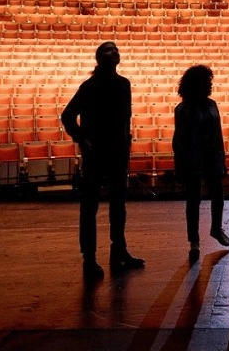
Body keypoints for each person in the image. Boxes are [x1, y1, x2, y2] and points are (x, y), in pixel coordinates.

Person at [60, 41, 145, 279]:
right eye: (108, 51)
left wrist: (126, 142)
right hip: (96, 154)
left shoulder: (124, 85)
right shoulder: (89, 87)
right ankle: (89, 258)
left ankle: (119, 251)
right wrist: (82, 139)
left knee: (118, 206)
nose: (113, 53)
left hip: (117, 153)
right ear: (100, 58)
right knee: (90, 207)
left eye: (115, 50)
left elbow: (126, 118)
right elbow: (67, 116)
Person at [173, 64, 229, 262]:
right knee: (193, 200)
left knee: (218, 195)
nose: (210, 85)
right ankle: (194, 241)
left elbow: (218, 133)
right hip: (193, 158)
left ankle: (216, 228)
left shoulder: (212, 105)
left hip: (212, 157)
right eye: (207, 82)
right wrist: (180, 164)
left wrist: (222, 159)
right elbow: (179, 139)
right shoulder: (183, 109)